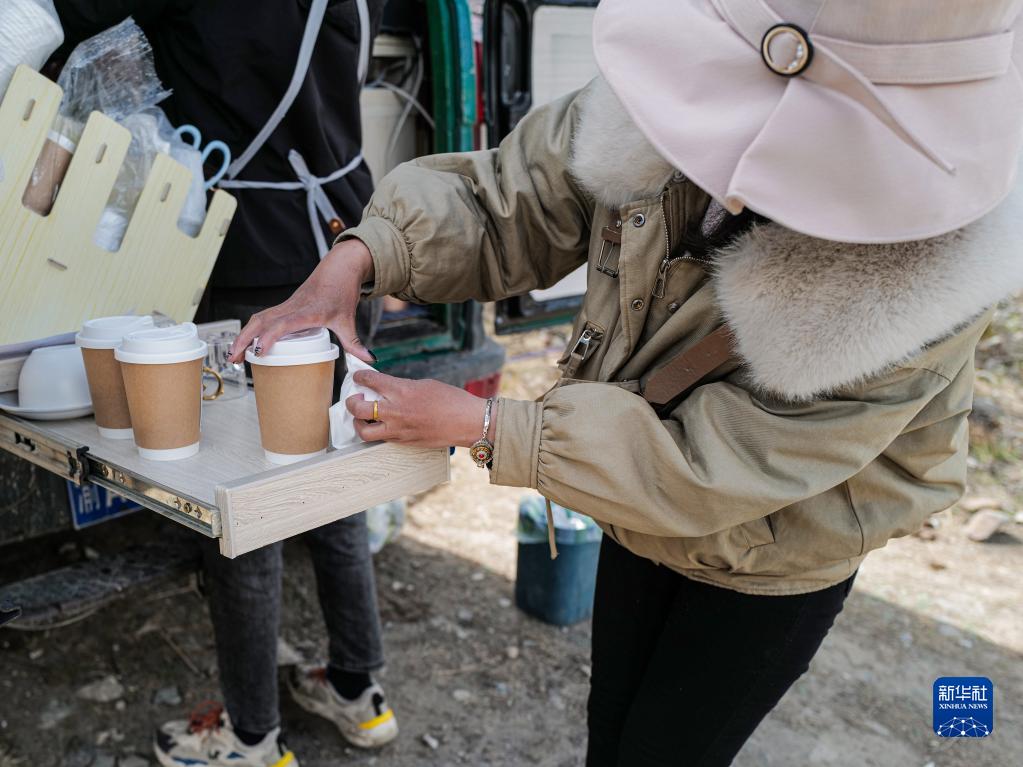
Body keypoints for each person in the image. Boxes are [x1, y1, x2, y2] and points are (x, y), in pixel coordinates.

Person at [234, 0, 1023, 763]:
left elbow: (723, 464)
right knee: (608, 719)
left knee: (663, 750)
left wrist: (490, 427)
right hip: (634, 504)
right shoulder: (679, 79)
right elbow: (516, 198)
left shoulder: (927, 280)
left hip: (778, 552)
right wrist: (362, 255)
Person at [51, 1, 397, 765]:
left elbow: (72, 17)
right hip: (346, 244)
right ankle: (356, 688)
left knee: (241, 511)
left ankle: (250, 735)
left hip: (253, 258)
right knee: (331, 475)